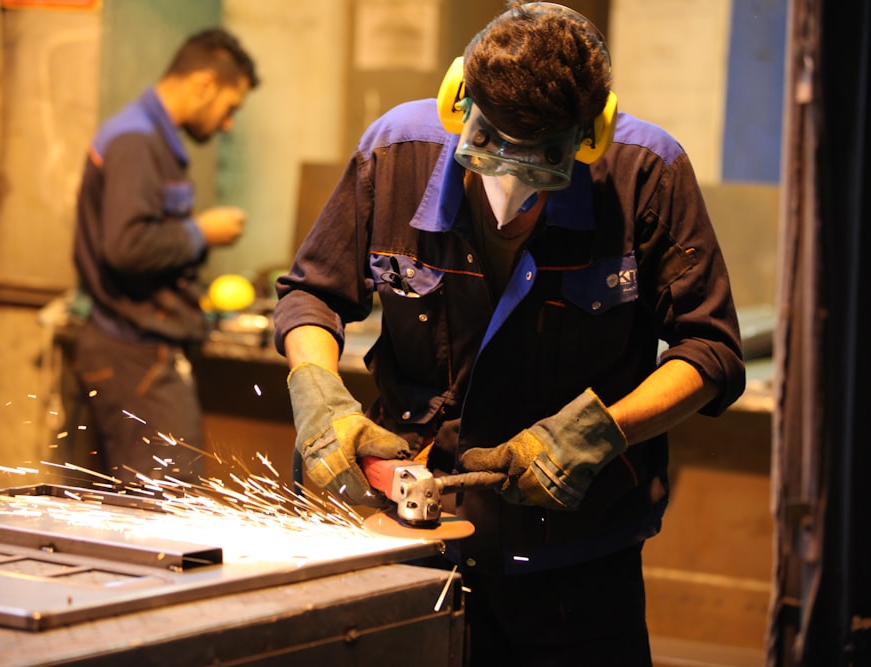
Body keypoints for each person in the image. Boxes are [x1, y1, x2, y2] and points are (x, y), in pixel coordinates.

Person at [273, 2, 745, 665]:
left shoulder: (647, 175)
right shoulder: (395, 152)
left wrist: (601, 432)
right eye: (492, 144)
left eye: (542, 158)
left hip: (575, 574)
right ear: (457, 103)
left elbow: (712, 351)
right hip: (412, 548)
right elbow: (314, 294)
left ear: (591, 135)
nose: (510, 181)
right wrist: (318, 388)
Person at [73, 28, 259, 485]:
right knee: (164, 513)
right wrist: (201, 231)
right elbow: (126, 246)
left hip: (137, 352)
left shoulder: (147, 136)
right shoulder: (136, 141)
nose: (228, 122)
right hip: (133, 354)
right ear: (203, 84)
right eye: (229, 108)